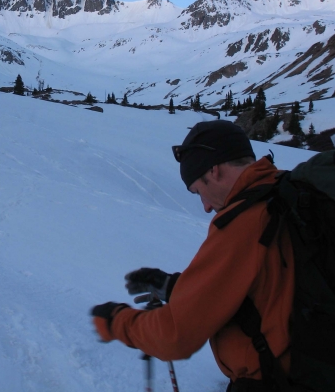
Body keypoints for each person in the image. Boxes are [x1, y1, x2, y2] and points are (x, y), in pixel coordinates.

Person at [91, 120, 294, 391]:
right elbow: (265, 289)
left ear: (215, 169)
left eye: (199, 191)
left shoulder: (246, 223)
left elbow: (174, 336)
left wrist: (117, 321)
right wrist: (176, 287)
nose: (206, 206)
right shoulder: (286, 195)